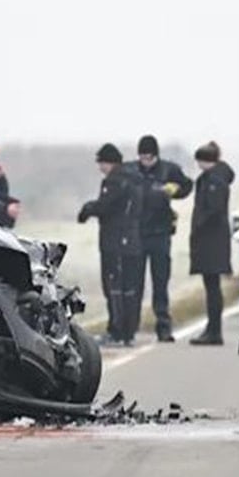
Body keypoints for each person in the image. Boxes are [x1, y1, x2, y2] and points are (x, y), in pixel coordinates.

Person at [78, 143, 145, 348]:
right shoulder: (135, 179)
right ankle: (129, 331)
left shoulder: (115, 181)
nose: (100, 168)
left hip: (114, 241)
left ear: (110, 162)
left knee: (114, 287)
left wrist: (87, 209)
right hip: (132, 239)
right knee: (130, 288)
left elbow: (104, 206)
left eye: (102, 163)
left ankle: (117, 332)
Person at [132, 134, 193, 342]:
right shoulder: (131, 171)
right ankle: (130, 328)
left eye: (149, 157)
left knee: (161, 282)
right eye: (142, 156)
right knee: (135, 283)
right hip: (137, 235)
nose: (145, 161)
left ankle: (164, 327)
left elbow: (187, 185)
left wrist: (176, 191)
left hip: (161, 234)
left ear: (156, 155)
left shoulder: (169, 170)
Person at [189, 142, 234, 346]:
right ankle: (212, 328)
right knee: (211, 286)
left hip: (211, 240)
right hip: (213, 240)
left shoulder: (214, 180)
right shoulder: (214, 178)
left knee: (212, 287)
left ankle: (214, 330)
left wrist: (198, 224)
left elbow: (213, 209)